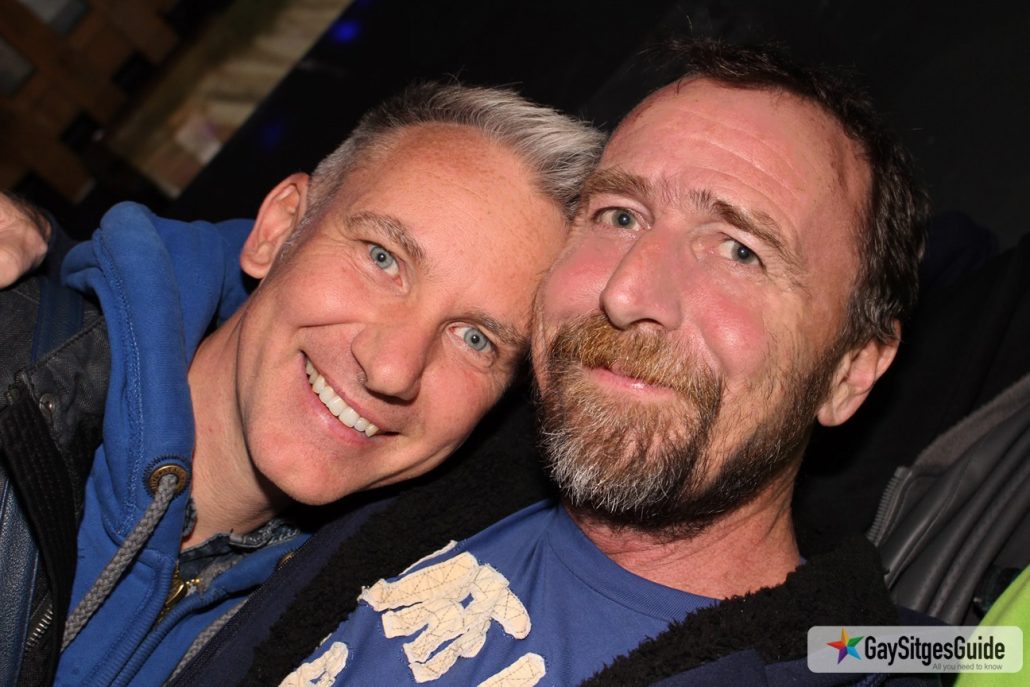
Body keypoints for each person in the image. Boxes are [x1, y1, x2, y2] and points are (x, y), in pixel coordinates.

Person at [166, 40, 938, 686]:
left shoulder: (865, 657)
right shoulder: (413, 457)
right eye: (619, 214)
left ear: (851, 372)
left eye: (739, 250)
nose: (628, 290)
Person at [0, 83, 603, 686]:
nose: (392, 369)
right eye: (383, 258)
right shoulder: (14, 364)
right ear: (278, 230)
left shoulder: (362, 639)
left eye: (475, 338)